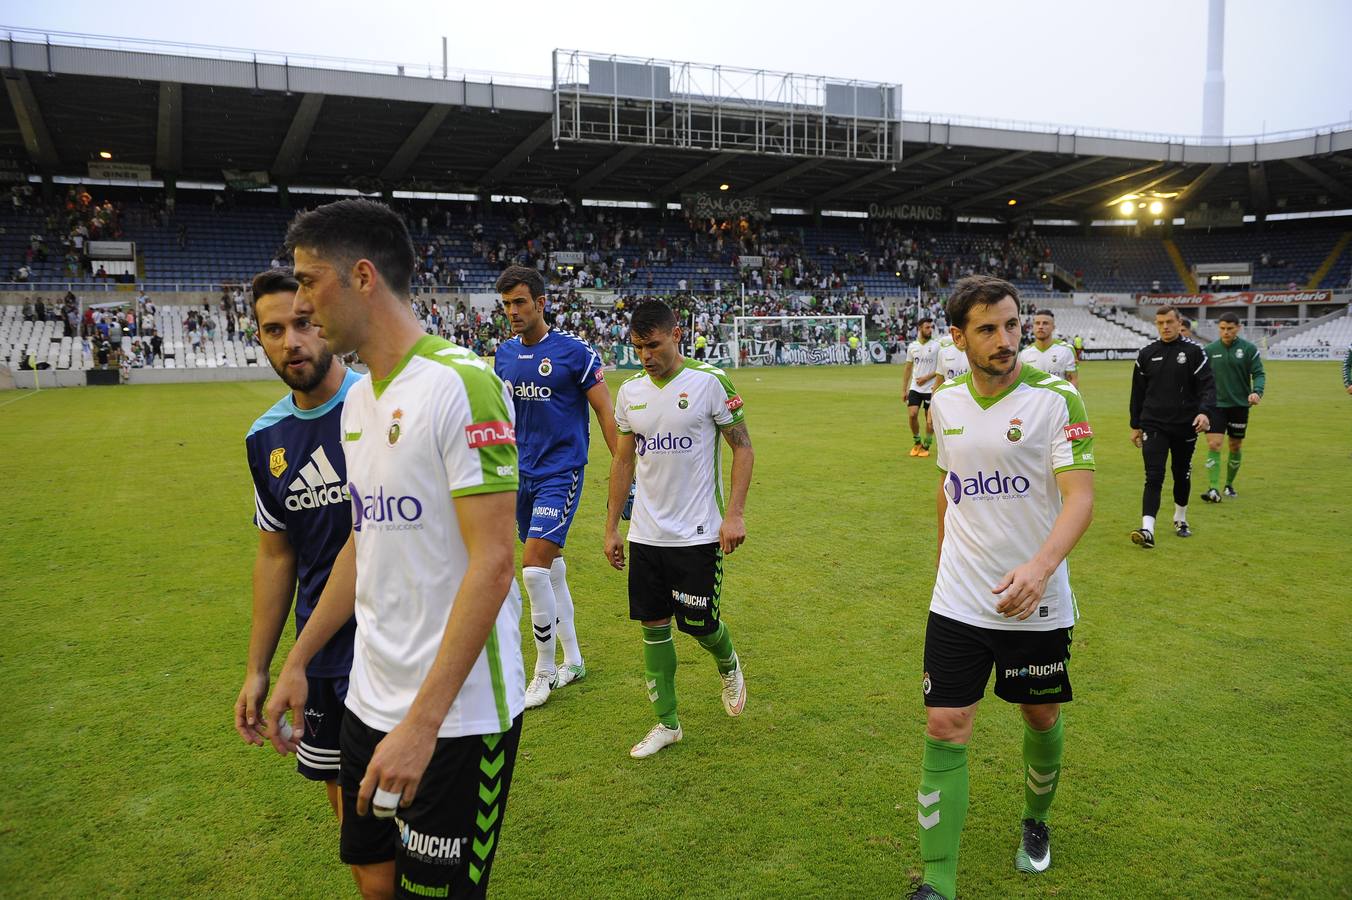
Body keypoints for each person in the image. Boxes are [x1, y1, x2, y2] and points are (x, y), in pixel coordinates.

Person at [264, 199, 525, 899]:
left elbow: (496, 561)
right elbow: (363, 541)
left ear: (362, 277)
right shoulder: (357, 401)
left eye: (310, 281)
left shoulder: (461, 384)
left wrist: (423, 726)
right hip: (367, 701)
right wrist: (298, 658)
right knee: (375, 883)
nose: (302, 303)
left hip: (457, 719)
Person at [908, 276, 1094, 900]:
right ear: (957, 338)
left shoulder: (1058, 399)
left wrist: (1040, 568)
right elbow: (948, 486)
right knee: (945, 724)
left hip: (1035, 602)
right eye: (988, 329)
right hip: (958, 600)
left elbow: (1080, 499)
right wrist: (943, 563)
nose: (1006, 339)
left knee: (1039, 715)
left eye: (1012, 325)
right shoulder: (946, 403)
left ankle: (1036, 822)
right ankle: (937, 881)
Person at [235, 268, 360, 819]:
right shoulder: (265, 439)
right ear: (259, 337)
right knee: (352, 820)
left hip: (400, 641)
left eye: (304, 323)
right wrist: (259, 668)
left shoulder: (381, 403)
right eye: (274, 329)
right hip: (323, 654)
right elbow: (276, 555)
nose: (292, 342)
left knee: (415, 806)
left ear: (326, 322)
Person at [604, 300, 753, 759]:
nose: (645, 356)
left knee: (701, 624)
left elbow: (743, 449)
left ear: (677, 335)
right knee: (653, 627)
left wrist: (735, 514)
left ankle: (727, 663)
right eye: (637, 347)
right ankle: (667, 723)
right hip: (646, 536)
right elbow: (623, 459)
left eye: (653, 345)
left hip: (698, 532)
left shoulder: (709, 383)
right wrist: (611, 527)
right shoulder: (629, 392)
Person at [494, 265, 618, 710]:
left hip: (560, 473)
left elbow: (606, 413)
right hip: (518, 475)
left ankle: (543, 671)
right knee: (552, 568)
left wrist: (627, 476)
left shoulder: (574, 352)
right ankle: (575, 659)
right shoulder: (503, 354)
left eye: (520, 302)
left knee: (532, 570)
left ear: (541, 303)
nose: (512, 311)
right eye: (506, 304)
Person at [1128, 305, 1214, 547]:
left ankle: (1180, 517)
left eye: (1169, 322)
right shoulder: (1146, 354)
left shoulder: (1195, 352)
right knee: (1153, 476)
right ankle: (1147, 530)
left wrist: (1205, 413)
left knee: (1181, 474)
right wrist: (1135, 425)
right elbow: (1138, 393)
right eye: (1160, 323)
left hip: (1186, 426)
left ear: (1179, 323)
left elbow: (1208, 386)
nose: (1165, 327)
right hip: (1153, 424)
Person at [1200, 312, 1265, 502]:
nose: (1226, 332)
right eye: (1222, 328)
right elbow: (1200, 377)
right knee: (1214, 444)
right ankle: (1213, 488)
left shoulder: (1249, 349)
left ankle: (1229, 485)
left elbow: (1259, 373)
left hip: (1239, 406)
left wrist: (1257, 391)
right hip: (1215, 406)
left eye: (1230, 328)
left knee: (1235, 446)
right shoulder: (1210, 350)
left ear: (1238, 328)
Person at [902, 317, 940, 458]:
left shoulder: (937, 346)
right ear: (919, 328)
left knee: (929, 419)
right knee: (912, 414)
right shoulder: (912, 346)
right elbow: (908, 368)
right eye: (927, 327)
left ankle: (926, 445)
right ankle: (917, 442)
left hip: (931, 387)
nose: (930, 330)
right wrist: (904, 389)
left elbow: (940, 369)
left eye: (931, 327)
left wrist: (926, 378)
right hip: (915, 388)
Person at [1017, 309, 1078, 387]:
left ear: (1053, 327)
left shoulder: (1066, 350)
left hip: (1059, 398)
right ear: (1033, 327)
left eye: (1045, 323)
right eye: (1037, 323)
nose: (1040, 327)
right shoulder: (1024, 354)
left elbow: (1072, 380)